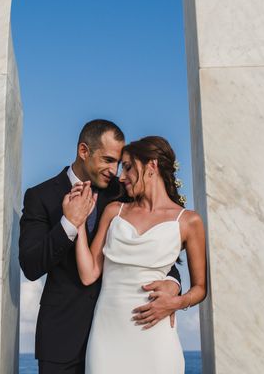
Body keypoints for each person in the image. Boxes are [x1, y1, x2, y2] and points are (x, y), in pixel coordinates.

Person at [19, 121, 182, 374]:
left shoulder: (124, 192)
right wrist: (69, 224)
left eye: (118, 162)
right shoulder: (40, 197)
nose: (114, 169)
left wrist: (173, 282)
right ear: (84, 151)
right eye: (107, 159)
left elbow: (157, 246)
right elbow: (30, 266)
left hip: (124, 332)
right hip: (62, 337)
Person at [73, 136, 207, 374]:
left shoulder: (189, 221)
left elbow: (200, 288)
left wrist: (176, 302)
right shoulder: (114, 211)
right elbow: (88, 274)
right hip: (107, 335)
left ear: (152, 166)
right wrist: (79, 222)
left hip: (155, 336)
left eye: (127, 167)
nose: (121, 176)